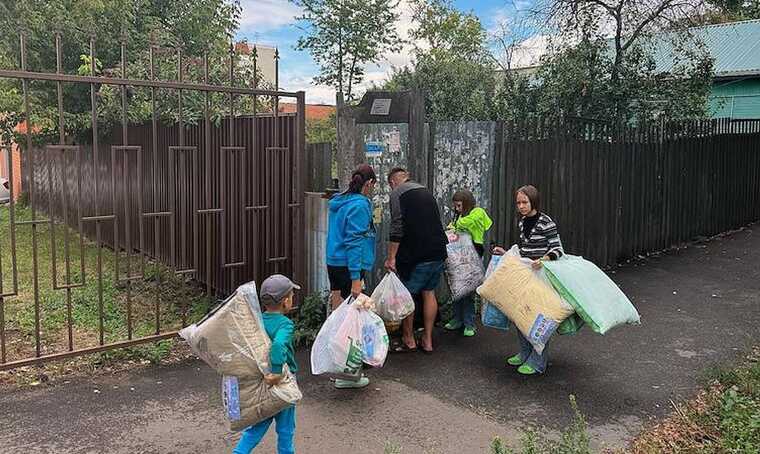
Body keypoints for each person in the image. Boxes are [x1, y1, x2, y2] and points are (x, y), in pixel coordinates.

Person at [493, 185, 563, 375]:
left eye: (525, 202)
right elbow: (525, 251)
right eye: (518, 203)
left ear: (534, 201)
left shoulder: (546, 222)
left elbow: (557, 249)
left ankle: (538, 361)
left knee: (540, 318)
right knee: (521, 314)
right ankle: (525, 353)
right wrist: (506, 253)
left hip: (542, 276)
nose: (521, 206)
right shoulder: (523, 222)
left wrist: (544, 260)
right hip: (525, 276)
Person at [233, 274, 300, 454]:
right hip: (282, 382)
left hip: (262, 381)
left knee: (257, 427)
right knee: (286, 430)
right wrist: (277, 371)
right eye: (292, 296)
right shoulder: (285, 324)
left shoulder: (257, 321)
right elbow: (278, 344)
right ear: (286, 301)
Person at [385, 167, 448, 354]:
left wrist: (391, 258)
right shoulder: (425, 191)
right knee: (429, 292)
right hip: (438, 250)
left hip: (416, 254)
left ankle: (409, 339)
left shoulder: (397, 193)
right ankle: (428, 340)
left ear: (392, 183)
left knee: (408, 295)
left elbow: (397, 226)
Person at [325, 164, 376, 388]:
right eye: (374, 185)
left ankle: (337, 367)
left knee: (339, 314)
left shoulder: (340, 201)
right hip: (349, 265)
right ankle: (349, 374)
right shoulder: (360, 205)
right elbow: (354, 241)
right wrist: (356, 277)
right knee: (351, 319)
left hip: (334, 262)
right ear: (369, 184)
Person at [444, 190, 492, 337]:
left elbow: (467, 222)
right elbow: (452, 227)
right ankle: (457, 319)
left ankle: (469, 323)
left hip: (474, 254)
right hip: (459, 255)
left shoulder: (477, 212)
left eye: (459, 205)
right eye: (455, 206)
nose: (457, 209)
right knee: (457, 288)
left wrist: (455, 225)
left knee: (469, 290)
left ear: (467, 203)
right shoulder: (459, 215)